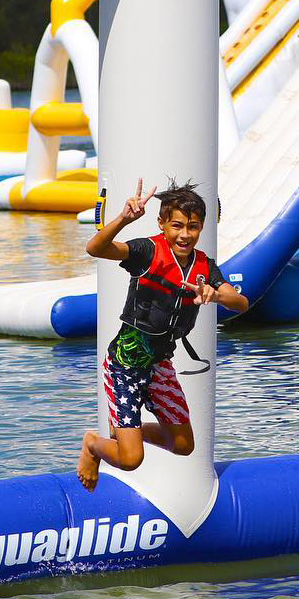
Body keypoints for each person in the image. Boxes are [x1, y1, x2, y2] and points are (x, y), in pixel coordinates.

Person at [76, 180, 249, 491]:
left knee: (183, 444)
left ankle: (130, 431)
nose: (185, 234)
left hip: (159, 363)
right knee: (131, 459)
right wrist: (123, 220)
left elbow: (241, 303)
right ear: (162, 224)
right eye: (177, 225)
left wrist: (216, 294)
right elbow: (95, 248)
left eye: (193, 227)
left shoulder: (204, 267)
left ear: (201, 228)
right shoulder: (147, 251)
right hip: (125, 364)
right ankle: (93, 444)